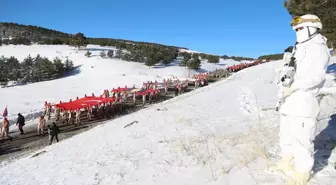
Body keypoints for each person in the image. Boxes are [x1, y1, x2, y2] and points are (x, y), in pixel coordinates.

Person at [271, 14, 331, 185]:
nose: (297, 32)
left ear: (313, 28)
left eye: (300, 28)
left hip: (304, 101)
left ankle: (302, 172)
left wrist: (295, 86)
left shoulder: (317, 47)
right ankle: (286, 162)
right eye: (295, 29)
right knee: (286, 135)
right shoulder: (298, 48)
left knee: (302, 138)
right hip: (288, 101)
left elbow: (316, 77)